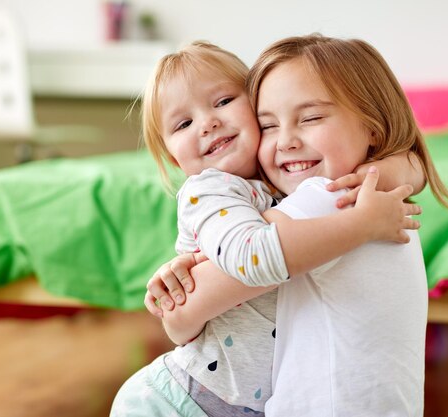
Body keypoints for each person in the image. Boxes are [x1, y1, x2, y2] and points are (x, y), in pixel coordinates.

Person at [110, 40, 427, 417]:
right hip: (180, 402)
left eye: (224, 101)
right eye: (183, 123)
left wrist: (393, 171)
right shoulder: (209, 190)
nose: (208, 122)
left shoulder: (281, 185)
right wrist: (361, 224)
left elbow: (412, 161)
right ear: (172, 155)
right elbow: (253, 257)